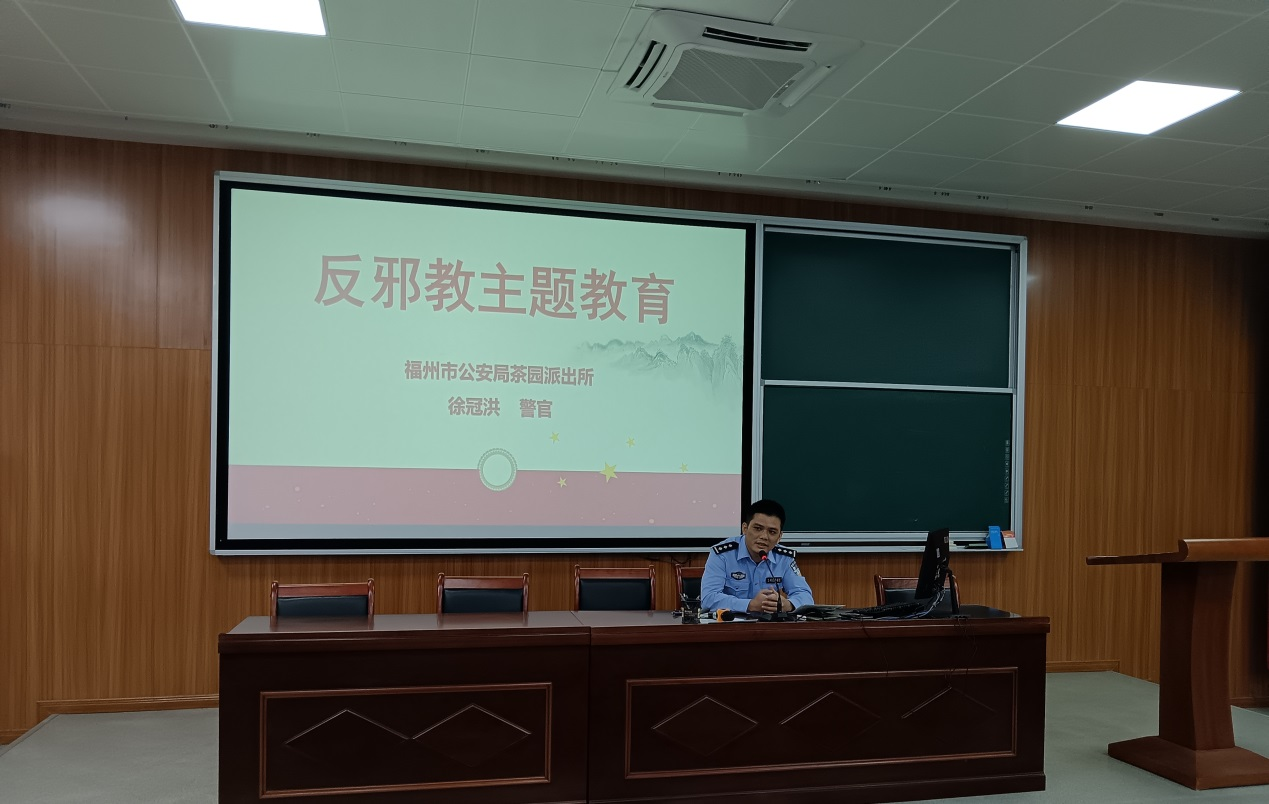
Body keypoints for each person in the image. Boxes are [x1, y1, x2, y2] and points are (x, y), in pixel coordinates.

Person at [701, 499, 813, 615]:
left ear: (779, 536)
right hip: (730, 623)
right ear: (745, 528)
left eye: (772, 532)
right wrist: (750, 605)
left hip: (769, 624)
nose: (764, 536)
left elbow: (805, 596)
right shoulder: (722, 554)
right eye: (758, 528)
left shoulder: (784, 558)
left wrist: (788, 605)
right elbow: (708, 599)